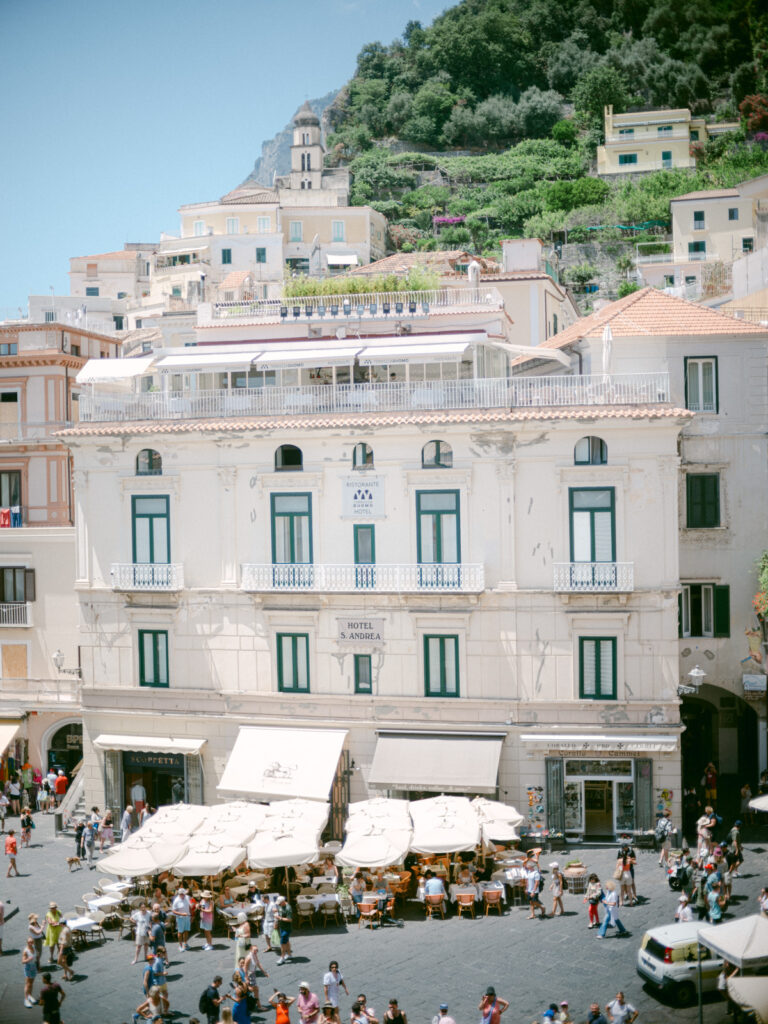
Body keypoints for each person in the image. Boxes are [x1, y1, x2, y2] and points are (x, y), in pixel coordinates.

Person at [244, 945, 269, 1010]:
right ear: (250, 950)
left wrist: (264, 972)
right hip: (250, 975)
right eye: (254, 950)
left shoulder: (254, 955)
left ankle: (258, 1005)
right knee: (254, 990)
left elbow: (258, 964)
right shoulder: (249, 957)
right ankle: (258, 1006)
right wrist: (246, 978)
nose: (256, 951)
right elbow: (245, 968)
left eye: (257, 950)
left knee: (255, 990)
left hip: (253, 974)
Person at [172, 887, 192, 952]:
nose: (182, 895)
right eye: (181, 894)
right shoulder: (176, 900)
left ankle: (185, 944)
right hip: (180, 918)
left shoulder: (187, 897)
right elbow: (173, 911)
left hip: (187, 917)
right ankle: (180, 945)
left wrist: (191, 914)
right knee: (180, 932)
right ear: (179, 894)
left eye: (183, 894)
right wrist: (181, 914)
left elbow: (189, 905)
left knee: (186, 930)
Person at [150, 947, 170, 1014]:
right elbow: (155, 973)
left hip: (162, 981)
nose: (165, 954)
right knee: (156, 998)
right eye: (164, 953)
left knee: (165, 994)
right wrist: (163, 973)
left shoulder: (160, 959)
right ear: (159, 953)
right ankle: (163, 1010)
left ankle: (164, 1009)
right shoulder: (157, 961)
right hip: (158, 982)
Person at [276, 895, 293, 965]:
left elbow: (290, 919)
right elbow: (280, 911)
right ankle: (289, 954)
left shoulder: (288, 908)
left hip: (286, 928)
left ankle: (282, 957)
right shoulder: (280, 906)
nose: (279, 905)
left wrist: (279, 918)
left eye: (280, 903)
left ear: (283, 902)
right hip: (282, 927)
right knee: (287, 941)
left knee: (282, 943)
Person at [22, 936, 38, 1008]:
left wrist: (38, 966)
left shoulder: (34, 947)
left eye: (32, 942)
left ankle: (30, 996)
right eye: (29, 942)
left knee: (31, 983)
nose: (31, 943)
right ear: (27, 943)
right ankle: (26, 999)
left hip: (33, 966)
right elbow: (23, 961)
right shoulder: (26, 951)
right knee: (28, 984)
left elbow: (36, 958)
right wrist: (28, 959)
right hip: (28, 967)